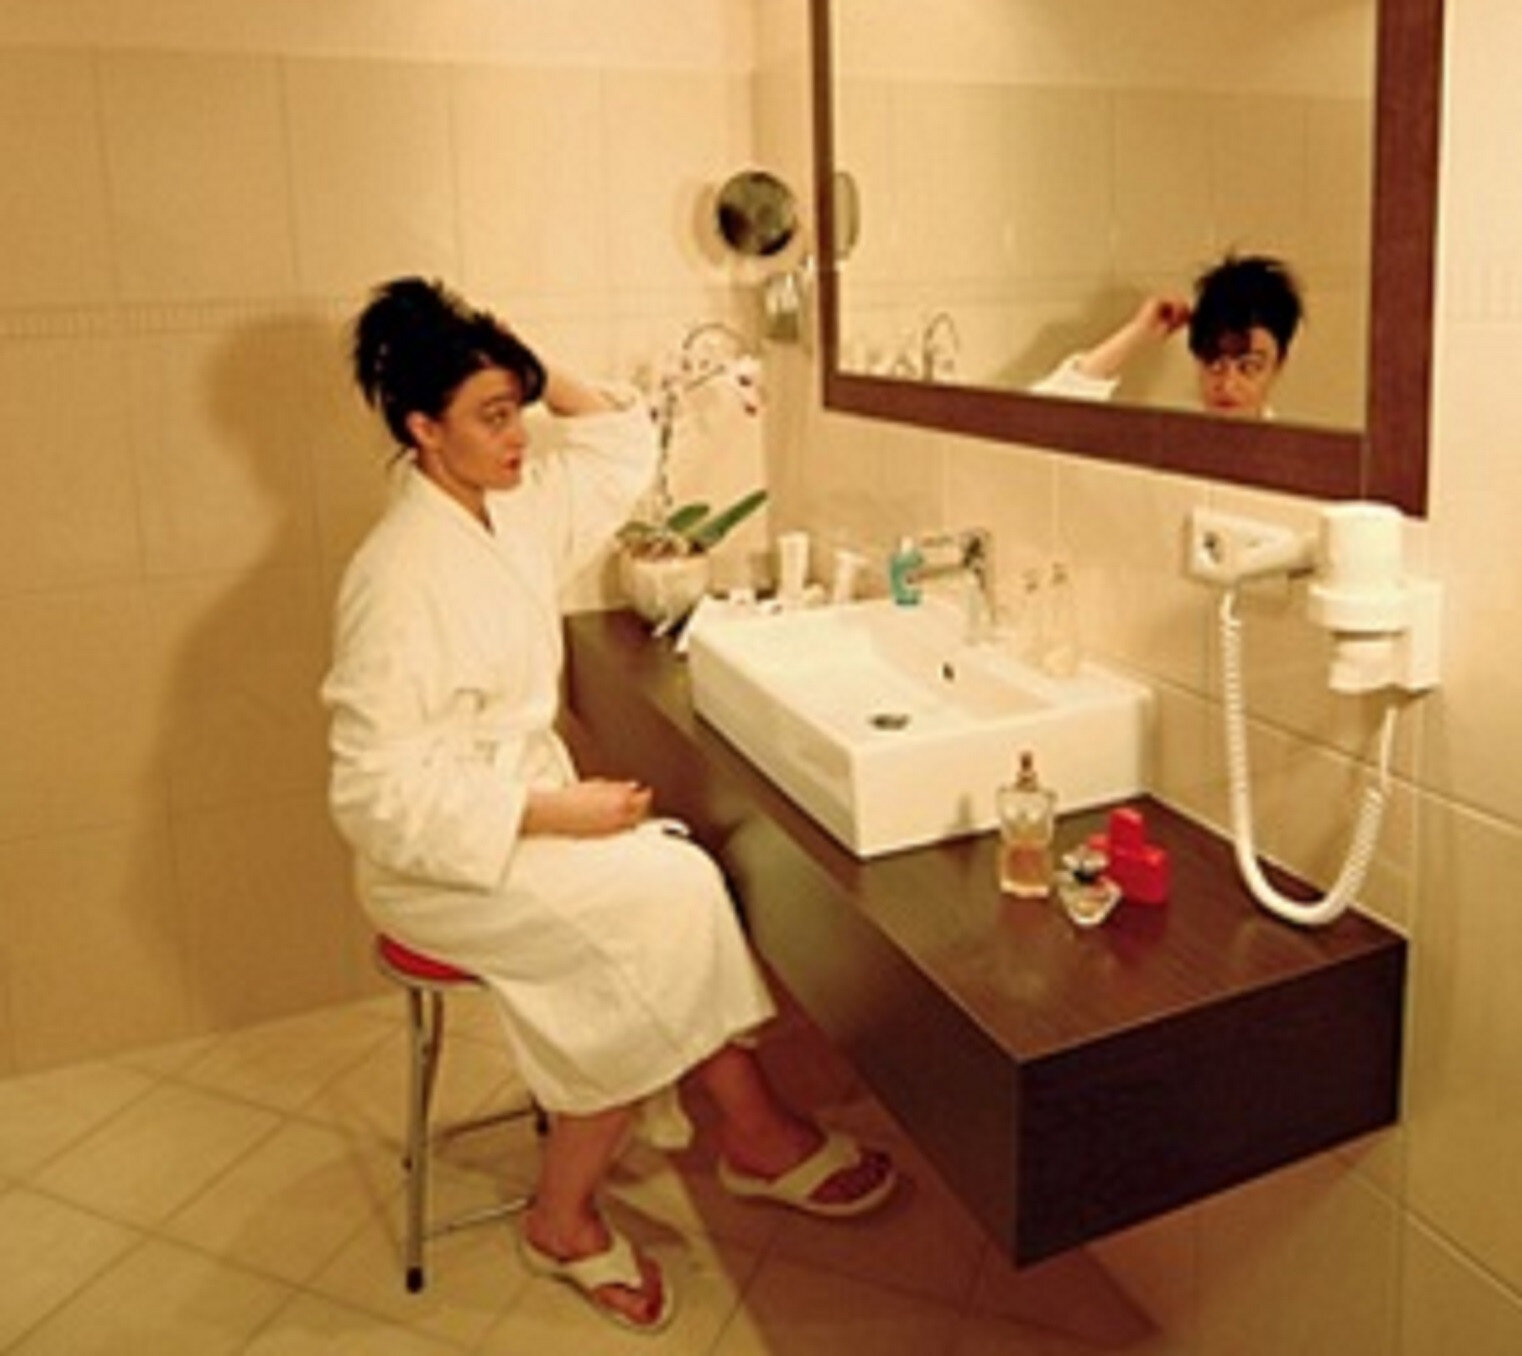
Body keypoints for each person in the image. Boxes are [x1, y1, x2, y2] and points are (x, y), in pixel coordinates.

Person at [322, 277, 897, 1333]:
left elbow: (624, 441)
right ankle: (570, 1214)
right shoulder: (396, 575)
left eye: (517, 409)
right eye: (492, 417)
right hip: (440, 861)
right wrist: (549, 813)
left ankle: (749, 1129)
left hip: (521, 813)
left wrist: (517, 356)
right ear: (422, 429)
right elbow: (373, 795)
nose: (520, 436)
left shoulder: (506, 509)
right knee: (657, 910)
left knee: (678, 884)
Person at [1032, 253, 1304, 419]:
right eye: (1215, 364)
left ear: (1278, 364)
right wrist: (1137, 334)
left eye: (1249, 367)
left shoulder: (1296, 459)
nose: (1228, 385)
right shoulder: (1170, 441)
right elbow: (1037, 421)